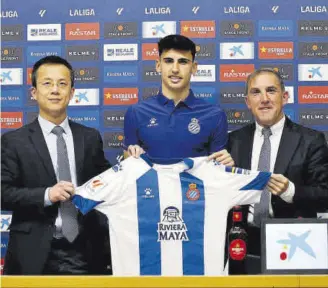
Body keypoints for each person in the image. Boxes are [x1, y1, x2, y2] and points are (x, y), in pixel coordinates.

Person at [1, 56, 112, 275]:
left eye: (62, 84)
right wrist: (47, 194)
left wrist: (133, 163)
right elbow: (3, 194)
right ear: (34, 92)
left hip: (85, 251)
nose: (55, 90)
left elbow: (107, 184)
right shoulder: (14, 141)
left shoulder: (89, 138)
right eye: (47, 83)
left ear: (72, 93)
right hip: (33, 252)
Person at [227, 68, 328, 274]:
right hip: (241, 243)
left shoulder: (311, 140)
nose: (264, 99)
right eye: (256, 92)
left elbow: (324, 193)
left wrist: (291, 191)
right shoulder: (234, 141)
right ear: (248, 102)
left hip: (291, 241)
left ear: (285, 97)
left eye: (271, 91)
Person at [124, 34, 233, 166]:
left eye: (183, 62)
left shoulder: (215, 115)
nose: (175, 69)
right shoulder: (136, 112)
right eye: (168, 61)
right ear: (158, 66)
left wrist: (226, 164)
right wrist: (130, 156)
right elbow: (128, 165)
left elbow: (218, 170)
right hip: (150, 187)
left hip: (194, 187)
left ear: (194, 67)